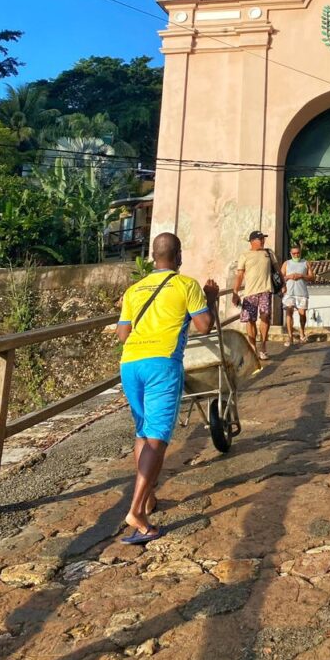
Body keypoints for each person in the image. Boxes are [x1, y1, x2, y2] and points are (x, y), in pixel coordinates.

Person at [115, 232, 218, 544]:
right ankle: (137, 512)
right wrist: (210, 300)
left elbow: (122, 334)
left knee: (143, 432)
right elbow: (204, 326)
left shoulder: (134, 290)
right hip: (163, 364)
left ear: (151, 256)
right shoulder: (187, 285)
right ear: (179, 256)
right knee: (158, 438)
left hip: (130, 363)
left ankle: (148, 497)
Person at [232, 231, 283, 361]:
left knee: (265, 316)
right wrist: (235, 292)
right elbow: (239, 275)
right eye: (260, 238)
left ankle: (263, 346)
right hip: (250, 292)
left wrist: (283, 284)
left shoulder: (269, 253)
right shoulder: (245, 255)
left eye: (263, 238)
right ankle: (253, 347)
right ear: (252, 241)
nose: (262, 241)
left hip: (265, 290)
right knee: (250, 320)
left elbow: (277, 270)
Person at [281, 243, 315, 346]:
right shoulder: (286, 263)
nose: (296, 255)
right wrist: (289, 276)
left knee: (302, 315)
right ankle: (290, 337)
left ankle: (302, 333)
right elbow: (281, 277)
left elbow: (312, 278)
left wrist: (301, 276)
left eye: (298, 253)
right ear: (291, 254)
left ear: (300, 253)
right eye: (294, 253)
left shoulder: (306, 263)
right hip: (289, 293)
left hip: (302, 293)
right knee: (289, 312)